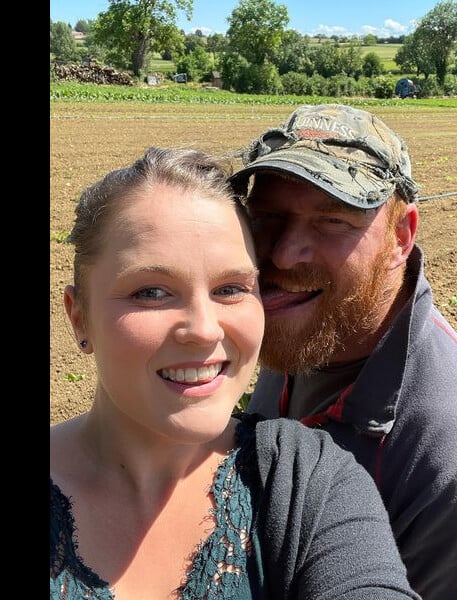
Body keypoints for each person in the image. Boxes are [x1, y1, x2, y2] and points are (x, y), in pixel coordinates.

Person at [50, 146, 422, 600]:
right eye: (151, 292)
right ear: (79, 317)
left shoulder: (309, 486)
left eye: (231, 288)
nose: (204, 331)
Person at [229, 104, 457, 600]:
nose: (283, 254)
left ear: (401, 237)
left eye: (331, 221)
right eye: (267, 217)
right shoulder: (303, 330)